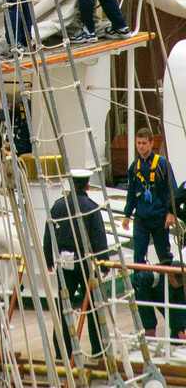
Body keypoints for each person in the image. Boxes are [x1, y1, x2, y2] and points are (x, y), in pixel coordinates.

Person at [43, 169, 109, 363]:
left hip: (65, 262)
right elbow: (98, 237)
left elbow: (49, 235)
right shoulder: (91, 207)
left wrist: (48, 259)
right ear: (87, 186)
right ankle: (98, 350)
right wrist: (103, 263)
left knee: (64, 307)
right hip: (86, 263)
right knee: (93, 307)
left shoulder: (57, 207)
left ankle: (61, 351)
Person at [123, 127, 176, 266]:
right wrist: (127, 214)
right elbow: (131, 192)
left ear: (151, 143)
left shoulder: (162, 164)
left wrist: (171, 213)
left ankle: (168, 285)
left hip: (159, 217)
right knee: (138, 257)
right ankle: (139, 286)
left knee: (164, 256)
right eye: (138, 143)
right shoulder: (134, 167)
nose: (140, 146)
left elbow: (172, 189)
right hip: (141, 218)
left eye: (144, 143)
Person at [133, 268, 186, 343]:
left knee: (175, 319)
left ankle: (175, 342)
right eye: (178, 281)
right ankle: (146, 342)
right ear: (170, 276)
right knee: (149, 328)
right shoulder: (153, 276)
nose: (179, 283)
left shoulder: (179, 287)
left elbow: (180, 308)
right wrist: (148, 324)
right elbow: (139, 286)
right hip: (148, 289)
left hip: (161, 293)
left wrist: (180, 329)